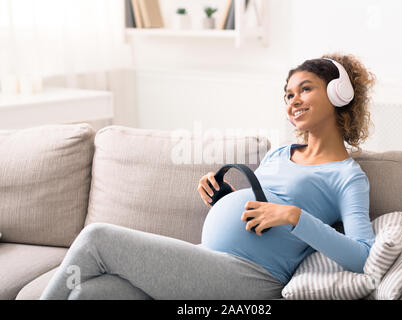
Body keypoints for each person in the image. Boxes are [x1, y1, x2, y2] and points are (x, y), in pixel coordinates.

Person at [40, 53, 376, 300]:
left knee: (97, 237)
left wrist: (293, 216)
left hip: (251, 279)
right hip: (208, 261)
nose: (293, 101)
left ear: (337, 95)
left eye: (305, 90)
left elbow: (361, 256)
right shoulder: (279, 154)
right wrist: (224, 198)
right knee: (87, 293)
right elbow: (258, 208)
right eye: (288, 95)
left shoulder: (347, 176)